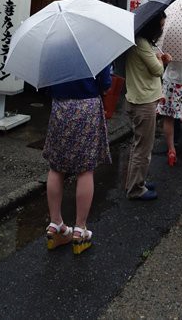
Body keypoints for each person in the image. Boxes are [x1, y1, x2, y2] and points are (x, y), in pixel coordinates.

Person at [43, 67, 112, 255]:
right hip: (87, 107)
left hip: (60, 106)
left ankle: (55, 224)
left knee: (56, 168)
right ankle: (80, 229)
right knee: (85, 169)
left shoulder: (54, 46)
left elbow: (46, 81)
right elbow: (106, 83)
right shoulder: (94, 46)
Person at [125, 13, 172, 201]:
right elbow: (157, 70)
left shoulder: (142, 42)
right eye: (161, 25)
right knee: (143, 148)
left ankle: (137, 182)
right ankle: (136, 189)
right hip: (143, 102)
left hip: (140, 97)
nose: (162, 29)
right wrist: (163, 60)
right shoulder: (142, 43)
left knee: (139, 146)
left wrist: (158, 56)